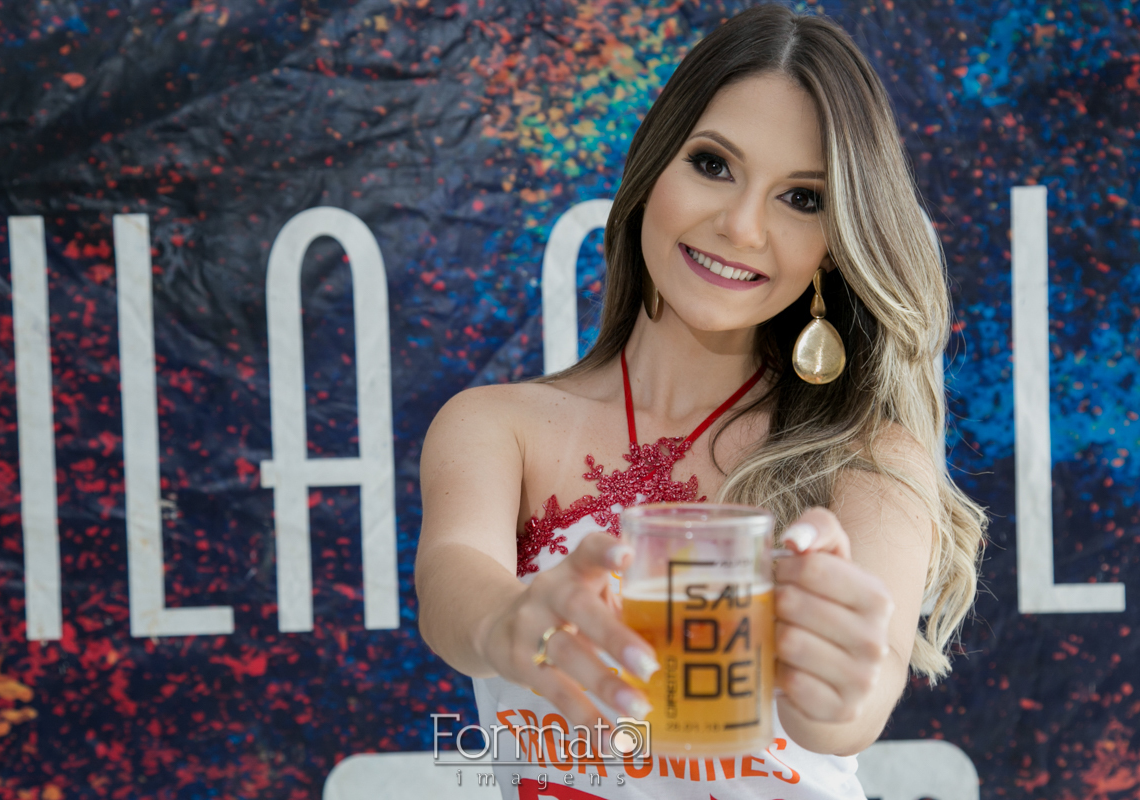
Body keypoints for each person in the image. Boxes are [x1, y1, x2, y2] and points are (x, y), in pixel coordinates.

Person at [416, 5, 985, 798]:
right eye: (713, 164)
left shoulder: (868, 461)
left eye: (803, 199)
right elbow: (453, 588)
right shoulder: (495, 429)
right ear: (653, 167)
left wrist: (845, 675)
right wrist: (505, 624)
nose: (742, 227)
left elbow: (849, 713)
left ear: (836, 245)